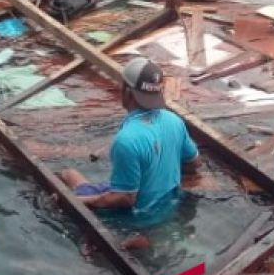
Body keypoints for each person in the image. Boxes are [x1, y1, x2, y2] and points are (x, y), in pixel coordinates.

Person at [60, 57, 201, 215]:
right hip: (168, 201)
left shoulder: (126, 140)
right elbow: (194, 162)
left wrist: (82, 201)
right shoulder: (174, 120)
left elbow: (125, 198)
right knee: (69, 175)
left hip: (139, 213)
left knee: (61, 191)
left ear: (127, 92)